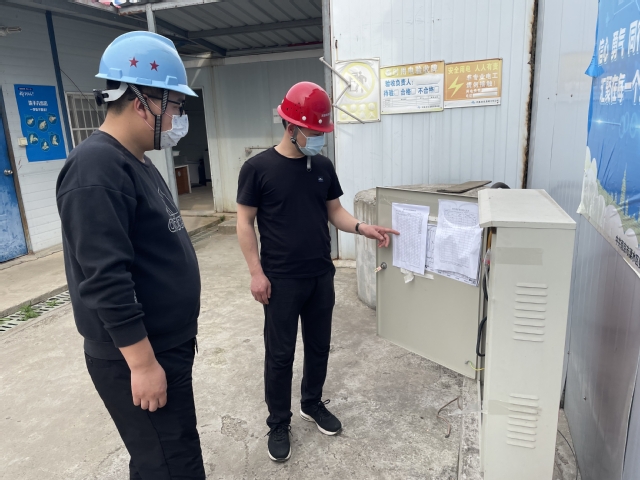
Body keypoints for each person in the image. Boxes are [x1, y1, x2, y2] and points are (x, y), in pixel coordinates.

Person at [56, 31, 205, 479]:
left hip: (166, 345)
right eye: (175, 106)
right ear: (142, 103)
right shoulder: (96, 167)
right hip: (140, 353)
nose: (178, 118)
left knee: (162, 456)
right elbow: (105, 278)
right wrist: (141, 364)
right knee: (172, 465)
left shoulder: (135, 158)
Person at [236, 81, 399, 462]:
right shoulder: (257, 168)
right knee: (280, 355)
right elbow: (244, 223)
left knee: (319, 346)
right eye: (314, 132)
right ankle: (279, 421)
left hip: (320, 276)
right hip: (280, 280)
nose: (319, 139)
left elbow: (334, 211)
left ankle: (311, 402)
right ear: (291, 127)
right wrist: (256, 273)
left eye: (322, 132)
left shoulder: (322, 167)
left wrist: (362, 227)